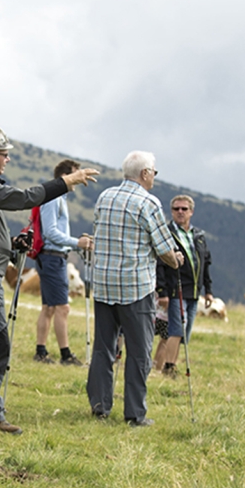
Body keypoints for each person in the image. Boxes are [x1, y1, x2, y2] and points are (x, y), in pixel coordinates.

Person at [0, 125, 98, 434]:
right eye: (3, 155)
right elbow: (25, 198)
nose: (7, 160)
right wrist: (65, 182)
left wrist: (11, 244)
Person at [86, 151, 182, 427]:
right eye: (154, 171)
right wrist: (176, 259)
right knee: (139, 352)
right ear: (144, 174)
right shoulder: (148, 202)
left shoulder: (104, 197)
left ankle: (100, 405)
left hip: (103, 284)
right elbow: (164, 248)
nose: (154, 176)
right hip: (135, 287)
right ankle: (135, 413)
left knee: (104, 348)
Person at [32, 159, 94, 366]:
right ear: (68, 175)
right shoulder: (54, 198)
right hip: (52, 258)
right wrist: (77, 242)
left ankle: (41, 351)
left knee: (49, 307)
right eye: (78, 174)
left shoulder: (58, 198)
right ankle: (65, 354)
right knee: (62, 308)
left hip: (51, 256)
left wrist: (76, 244)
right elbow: (50, 232)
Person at [154, 195, 214, 377]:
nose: (180, 212)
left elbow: (205, 264)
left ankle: (165, 366)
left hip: (194, 292)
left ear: (191, 212)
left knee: (183, 334)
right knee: (176, 329)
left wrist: (209, 290)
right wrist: (162, 292)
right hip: (175, 290)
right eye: (176, 209)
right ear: (171, 212)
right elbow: (160, 264)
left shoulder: (199, 236)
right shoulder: (166, 233)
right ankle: (169, 367)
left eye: (184, 209)